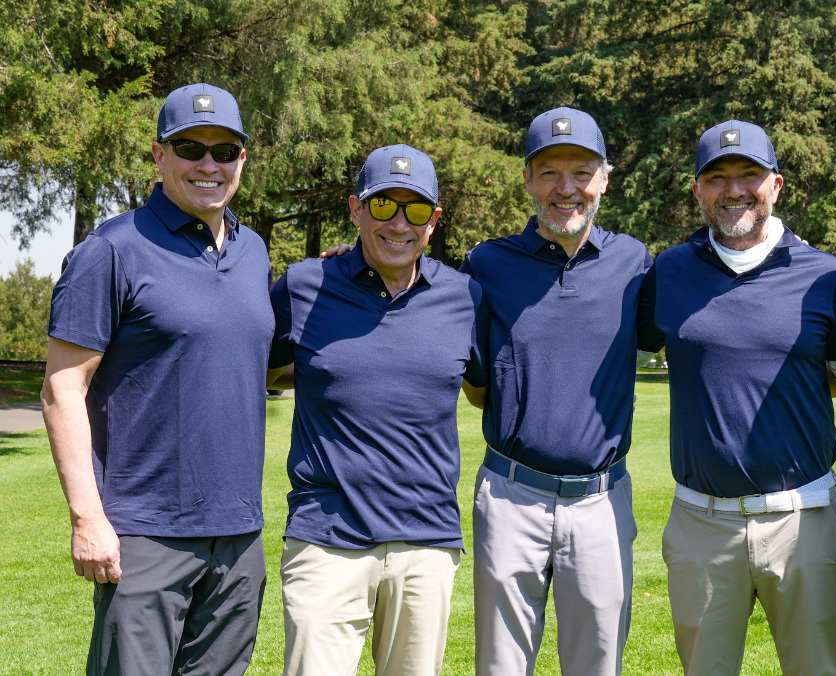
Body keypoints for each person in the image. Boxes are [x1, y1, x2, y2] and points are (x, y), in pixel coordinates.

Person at [41, 83, 273, 675]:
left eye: (225, 151)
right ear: (159, 155)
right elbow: (62, 388)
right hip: (144, 536)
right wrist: (87, 519)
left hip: (239, 536)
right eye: (191, 148)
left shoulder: (253, 253)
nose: (208, 165)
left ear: (242, 159)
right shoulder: (112, 250)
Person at [640, 120, 836, 675]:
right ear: (697, 190)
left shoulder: (823, 275)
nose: (734, 189)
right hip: (700, 521)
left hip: (804, 520)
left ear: (776, 185)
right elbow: (616, 356)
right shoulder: (670, 271)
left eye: (749, 174)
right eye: (717, 177)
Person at [268, 144, 486, 675]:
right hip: (326, 539)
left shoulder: (465, 297)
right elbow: (265, 373)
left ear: (434, 220)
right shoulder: (303, 287)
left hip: (426, 542)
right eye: (383, 205)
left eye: (415, 209)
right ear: (356, 209)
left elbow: (480, 391)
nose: (399, 223)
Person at [462, 107, 653, 675]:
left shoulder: (634, 263)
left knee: (597, 664)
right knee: (500, 666)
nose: (565, 188)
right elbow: (474, 381)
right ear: (527, 179)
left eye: (581, 172)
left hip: (600, 501)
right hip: (509, 496)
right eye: (549, 172)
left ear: (604, 180)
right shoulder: (487, 264)